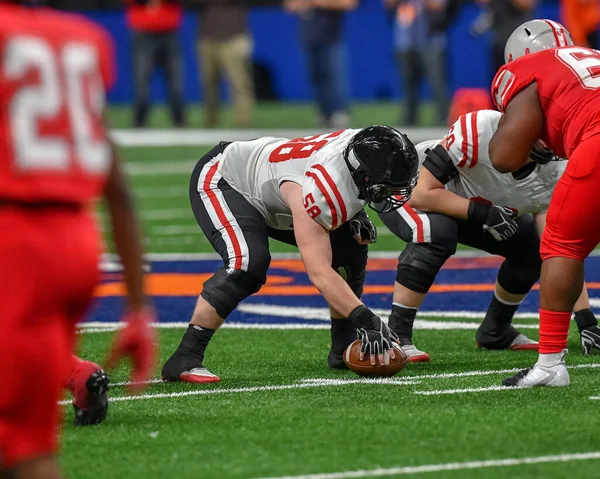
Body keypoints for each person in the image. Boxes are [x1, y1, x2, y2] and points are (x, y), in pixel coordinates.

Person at [0, 3, 157, 478]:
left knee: (25, 452)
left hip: (15, 236)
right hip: (74, 238)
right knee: (23, 440)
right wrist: (137, 307)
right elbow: (118, 186)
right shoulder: (83, 38)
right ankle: (74, 373)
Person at [162, 126, 419, 383]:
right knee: (248, 264)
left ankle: (343, 346)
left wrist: (356, 213)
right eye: (384, 188)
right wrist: (367, 320)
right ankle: (185, 357)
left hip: (279, 186)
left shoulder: (364, 146)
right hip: (227, 180)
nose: (391, 194)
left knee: (349, 245)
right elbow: (319, 271)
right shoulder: (321, 189)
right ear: (362, 175)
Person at [379, 109, 599, 362]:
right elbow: (421, 194)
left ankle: (495, 330)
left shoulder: (556, 171)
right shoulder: (478, 129)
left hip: (472, 208)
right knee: (435, 233)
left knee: (532, 246)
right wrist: (482, 213)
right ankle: (397, 336)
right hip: (407, 186)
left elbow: (558, 251)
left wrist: (586, 320)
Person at [490, 19, 600, 387]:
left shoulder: (525, 69)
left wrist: (532, 145)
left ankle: (551, 364)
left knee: (560, 245)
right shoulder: (592, 56)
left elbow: (505, 156)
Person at [284, 0, 357, 129]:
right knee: (316, 77)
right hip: (308, 36)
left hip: (331, 36)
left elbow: (349, 4)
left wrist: (317, 2)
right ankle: (324, 113)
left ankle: (339, 111)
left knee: (334, 75)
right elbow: (289, 6)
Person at [385, 0, 454, 126]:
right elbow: (389, 4)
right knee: (408, 86)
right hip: (405, 41)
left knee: (438, 84)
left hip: (431, 40)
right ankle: (408, 122)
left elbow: (438, 5)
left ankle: (443, 122)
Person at [126, 0, 186, 127]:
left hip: (169, 31)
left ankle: (179, 122)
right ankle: (139, 122)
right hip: (144, 31)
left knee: (175, 80)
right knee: (141, 80)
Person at [196, 2, 255, 128]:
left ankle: (242, 121)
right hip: (208, 37)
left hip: (234, 37)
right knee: (209, 82)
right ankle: (211, 120)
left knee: (239, 82)